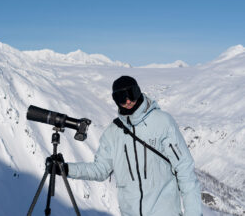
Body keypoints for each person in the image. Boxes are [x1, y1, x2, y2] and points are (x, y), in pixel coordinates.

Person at [48, 75, 202, 216]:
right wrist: (65, 168)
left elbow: (184, 170)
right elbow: (100, 170)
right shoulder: (112, 133)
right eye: (122, 97)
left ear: (139, 92)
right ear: (116, 100)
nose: (128, 101)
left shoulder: (162, 122)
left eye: (131, 94)